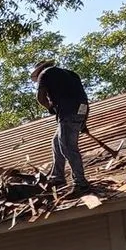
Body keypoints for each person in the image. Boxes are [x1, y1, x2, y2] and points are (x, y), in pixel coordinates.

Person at [32, 60, 90, 195]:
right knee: (56, 142)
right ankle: (57, 176)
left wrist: (49, 107)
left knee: (68, 148)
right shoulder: (72, 74)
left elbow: (40, 98)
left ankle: (81, 183)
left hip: (67, 112)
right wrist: (83, 122)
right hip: (82, 110)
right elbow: (83, 98)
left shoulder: (44, 74)